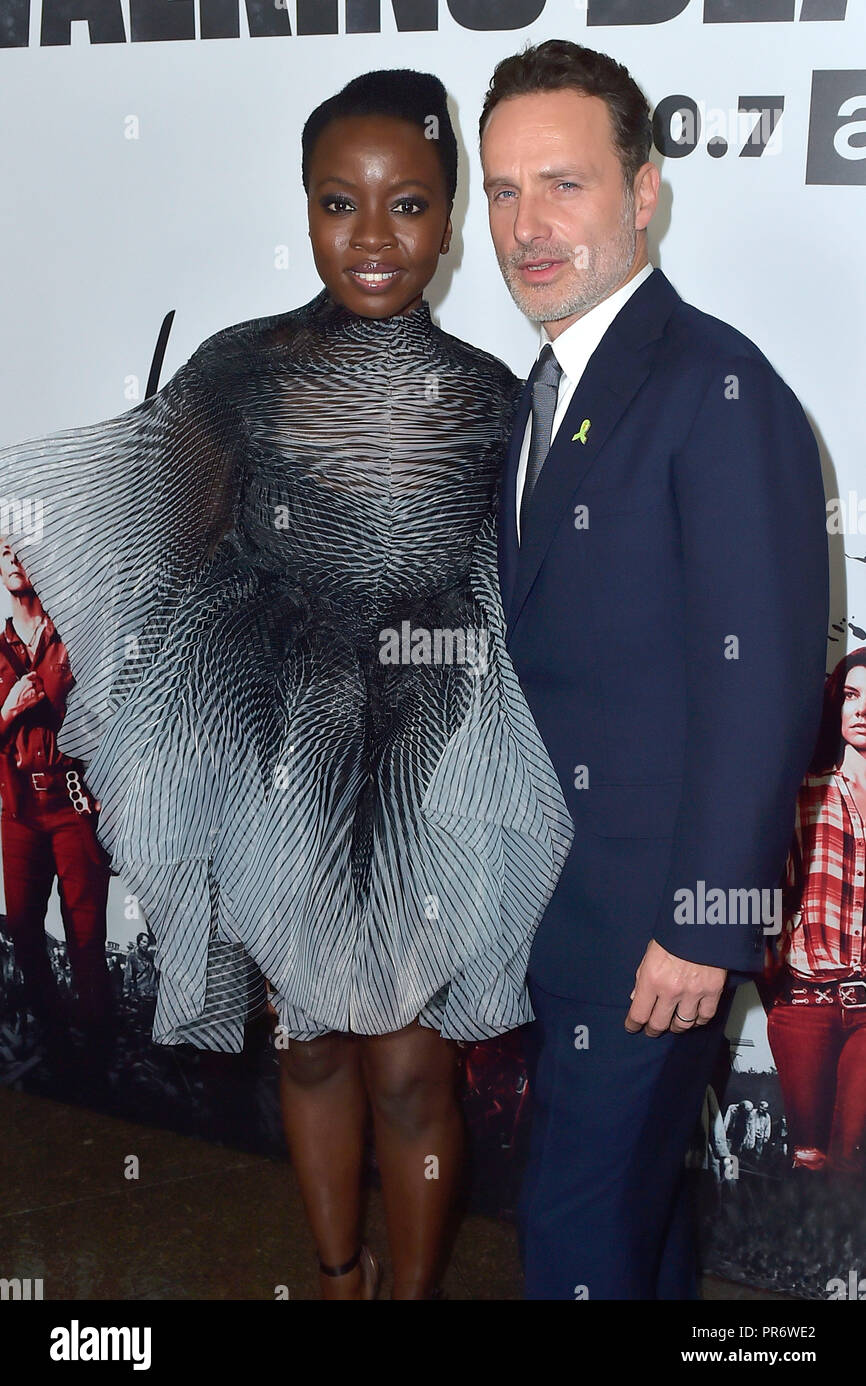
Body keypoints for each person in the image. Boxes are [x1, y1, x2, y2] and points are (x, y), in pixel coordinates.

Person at [0, 70, 572, 1300]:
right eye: (338, 202)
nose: (373, 236)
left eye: (408, 204)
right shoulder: (239, 370)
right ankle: (335, 1276)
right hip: (287, 755)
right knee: (309, 1044)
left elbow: (528, 589)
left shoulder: (492, 394)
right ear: (304, 209)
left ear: (451, 218)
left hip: (434, 756)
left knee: (414, 1067)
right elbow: (162, 547)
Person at [479, 39, 828, 1299]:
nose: (527, 225)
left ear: (642, 192)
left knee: (574, 1240)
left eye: (562, 185)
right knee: (630, 1225)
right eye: (503, 191)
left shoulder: (716, 387)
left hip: (653, 935)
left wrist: (700, 925)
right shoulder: (551, 384)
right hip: (571, 916)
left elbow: (768, 684)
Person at [0, 540, 112, 1053]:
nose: (14, 560)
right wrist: (9, 709)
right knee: (24, 930)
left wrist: (107, 794)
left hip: (72, 803)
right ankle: (52, 1043)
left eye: (21, 550)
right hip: (17, 808)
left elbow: (113, 720)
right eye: (3, 552)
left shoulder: (78, 636)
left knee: (86, 935)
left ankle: (97, 1052)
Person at [766, 648, 866, 1175]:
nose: (862, 709)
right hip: (804, 1002)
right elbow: (767, 886)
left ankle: (845, 1259)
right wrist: (771, 973)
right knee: (809, 1157)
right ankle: (803, 1258)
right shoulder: (804, 788)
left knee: (853, 1156)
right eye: (852, 695)